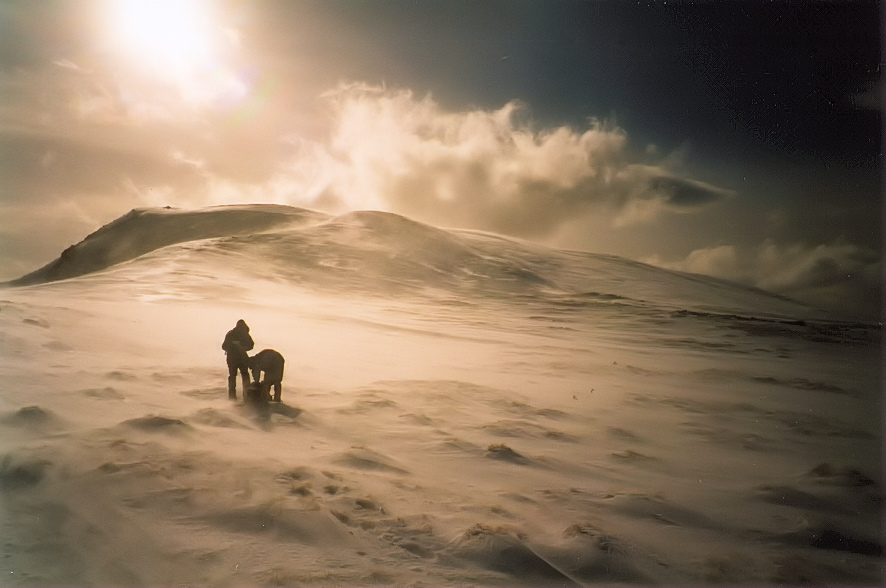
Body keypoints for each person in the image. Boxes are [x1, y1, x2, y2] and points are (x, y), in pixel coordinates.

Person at [222, 319, 254, 399]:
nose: (241, 329)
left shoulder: (245, 334)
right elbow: (224, 346)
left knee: (244, 375)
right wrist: (232, 346)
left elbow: (251, 345)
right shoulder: (231, 334)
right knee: (234, 376)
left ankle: (246, 395)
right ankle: (232, 396)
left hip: (241, 358)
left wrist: (243, 347)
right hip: (232, 358)